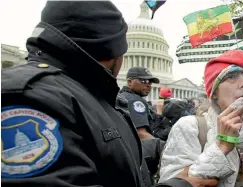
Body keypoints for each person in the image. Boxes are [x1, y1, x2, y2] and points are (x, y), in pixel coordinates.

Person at [1, 1, 218, 187]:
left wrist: (163, 148)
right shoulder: (30, 97)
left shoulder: (85, 92)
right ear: (115, 50)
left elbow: (105, 153)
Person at [159, 50, 243, 187]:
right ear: (214, 92)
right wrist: (222, 146)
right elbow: (173, 183)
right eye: (232, 77)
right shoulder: (190, 127)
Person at [119, 67, 160, 140]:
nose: (148, 85)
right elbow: (141, 133)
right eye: (144, 81)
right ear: (130, 82)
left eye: (150, 82)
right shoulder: (135, 100)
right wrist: (162, 146)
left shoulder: (121, 96)